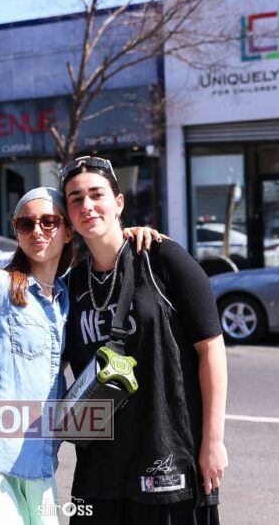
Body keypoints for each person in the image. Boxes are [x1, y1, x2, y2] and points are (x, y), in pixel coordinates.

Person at [0, 187, 160, 525]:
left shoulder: (68, 296)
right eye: (26, 223)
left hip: (39, 464)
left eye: (49, 222)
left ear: (68, 232)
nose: (37, 230)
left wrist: (128, 234)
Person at [60, 156, 229, 525]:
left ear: (118, 202)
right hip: (99, 470)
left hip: (167, 458)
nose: (87, 205)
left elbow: (211, 348)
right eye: (75, 199)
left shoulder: (162, 258)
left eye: (96, 195)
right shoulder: (70, 286)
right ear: (68, 215)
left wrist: (213, 442)